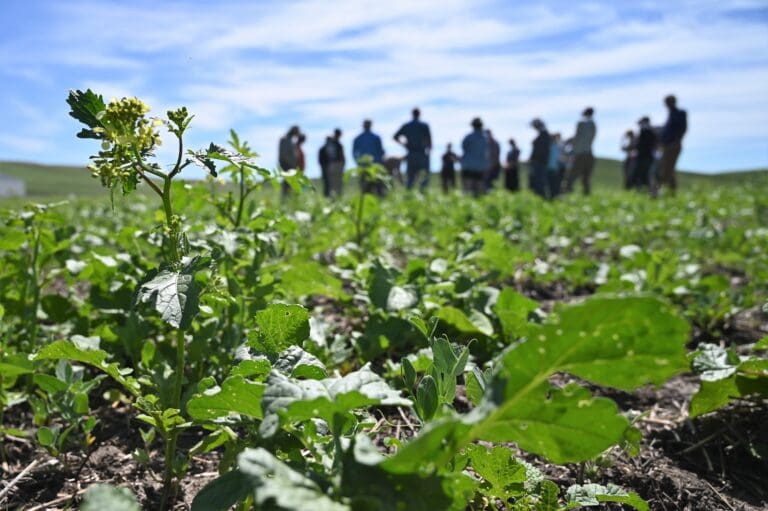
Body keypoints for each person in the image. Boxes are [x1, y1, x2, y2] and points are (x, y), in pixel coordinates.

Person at [656, 95, 687, 196]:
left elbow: (683, 129)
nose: (666, 105)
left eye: (667, 102)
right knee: (667, 168)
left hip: (673, 145)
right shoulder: (670, 115)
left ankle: (665, 192)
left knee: (667, 169)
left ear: (672, 102)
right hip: (666, 146)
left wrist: (675, 142)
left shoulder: (680, 113)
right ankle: (671, 192)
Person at [394, 108, 432, 191]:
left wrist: (404, 144)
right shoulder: (424, 125)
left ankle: (409, 195)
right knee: (425, 176)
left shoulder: (407, 126)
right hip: (422, 154)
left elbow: (395, 137)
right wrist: (429, 151)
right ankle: (422, 193)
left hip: (411, 154)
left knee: (411, 177)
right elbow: (429, 139)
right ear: (419, 114)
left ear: (412, 114)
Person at [564, 107, 597, 195]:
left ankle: (566, 194)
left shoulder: (581, 123)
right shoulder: (593, 124)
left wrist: (568, 143)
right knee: (586, 178)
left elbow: (577, 137)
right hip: (589, 154)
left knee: (571, 176)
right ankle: (587, 195)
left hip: (580, 154)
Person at [353, 119, 385, 196]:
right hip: (375, 165)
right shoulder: (376, 137)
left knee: (365, 188)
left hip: (364, 166)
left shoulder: (358, 138)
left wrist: (358, 162)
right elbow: (381, 151)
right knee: (378, 186)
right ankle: (379, 202)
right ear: (371, 125)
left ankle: (368, 202)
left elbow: (354, 153)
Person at [460, 117, 490, 197]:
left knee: (468, 188)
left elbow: (464, 148)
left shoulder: (468, 137)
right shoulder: (485, 138)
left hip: (468, 165)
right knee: (480, 188)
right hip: (481, 166)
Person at [631, 117, 657, 191]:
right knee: (646, 174)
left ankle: (647, 190)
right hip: (647, 156)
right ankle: (647, 190)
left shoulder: (645, 132)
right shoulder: (652, 132)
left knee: (644, 174)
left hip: (644, 157)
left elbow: (640, 145)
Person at [318, 129, 345, 198]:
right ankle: (329, 197)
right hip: (329, 167)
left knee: (335, 184)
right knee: (329, 184)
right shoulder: (324, 148)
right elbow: (321, 160)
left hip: (333, 167)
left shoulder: (337, 145)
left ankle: (335, 197)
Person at [528, 118, 550, 198]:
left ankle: (541, 198)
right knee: (537, 181)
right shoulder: (543, 134)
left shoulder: (544, 135)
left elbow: (541, 150)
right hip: (539, 161)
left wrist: (533, 158)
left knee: (539, 182)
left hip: (539, 162)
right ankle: (539, 197)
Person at [282, 131, 306, 196]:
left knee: (296, 188)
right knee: (292, 188)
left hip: (298, 171)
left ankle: (293, 200)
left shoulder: (297, 147)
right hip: (295, 171)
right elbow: (295, 160)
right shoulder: (295, 147)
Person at [546, 133, 562, 199]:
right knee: (552, 184)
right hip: (551, 169)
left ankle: (554, 197)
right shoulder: (553, 147)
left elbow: (558, 158)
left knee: (553, 184)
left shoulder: (555, 147)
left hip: (553, 169)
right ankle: (553, 197)